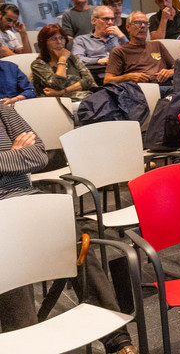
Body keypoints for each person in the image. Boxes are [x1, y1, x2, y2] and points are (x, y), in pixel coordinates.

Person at [0, 104, 139, 354]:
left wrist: (12, 157)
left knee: (78, 240)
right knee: (9, 252)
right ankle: (25, 344)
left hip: (29, 199)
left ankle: (116, 340)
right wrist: (14, 155)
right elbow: (25, 158)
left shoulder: (3, 110)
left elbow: (39, 155)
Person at [104, 12, 175, 86]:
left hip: (165, 85)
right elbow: (107, 80)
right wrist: (128, 77)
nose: (143, 26)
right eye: (138, 23)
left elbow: (178, 68)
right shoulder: (120, 51)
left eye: (146, 23)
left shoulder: (157, 45)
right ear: (128, 27)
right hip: (139, 89)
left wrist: (170, 72)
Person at [31, 24, 96, 100]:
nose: (59, 42)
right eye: (53, 39)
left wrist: (62, 92)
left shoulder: (72, 58)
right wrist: (62, 59)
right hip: (57, 104)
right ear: (44, 43)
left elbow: (89, 81)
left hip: (85, 99)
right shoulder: (38, 65)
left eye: (61, 38)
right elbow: (57, 85)